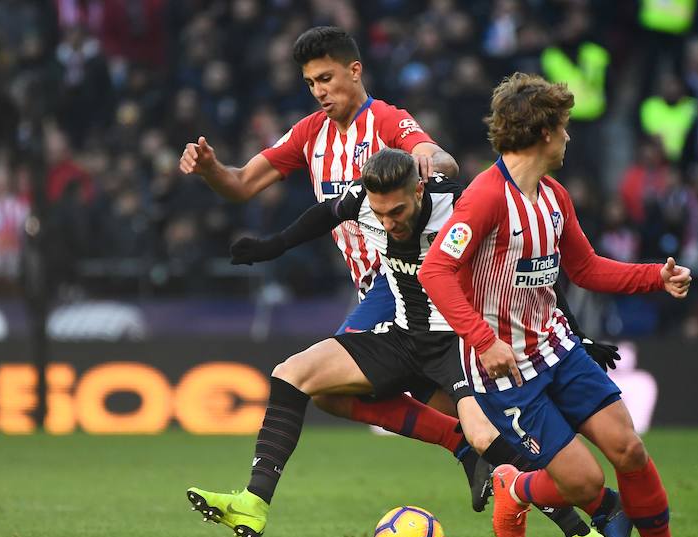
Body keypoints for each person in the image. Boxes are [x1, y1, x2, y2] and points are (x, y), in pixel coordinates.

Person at [187, 149, 632, 537]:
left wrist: (573, 334)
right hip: (403, 336)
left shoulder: (460, 204)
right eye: (379, 215)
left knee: (483, 436)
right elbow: (324, 215)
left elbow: (529, 267)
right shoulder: (365, 201)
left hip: (459, 344)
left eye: (396, 212)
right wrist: (272, 247)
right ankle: (255, 501)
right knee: (294, 374)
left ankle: (580, 534)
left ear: (420, 191)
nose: (387, 223)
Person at [419, 73, 698, 537]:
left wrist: (655, 277)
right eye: (564, 128)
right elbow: (435, 272)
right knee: (586, 481)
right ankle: (519, 490)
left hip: (557, 348)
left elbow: (585, 268)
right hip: (506, 368)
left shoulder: (553, 196)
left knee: (629, 448)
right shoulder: (486, 198)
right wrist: (484, 341)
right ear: (543, 133)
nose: (568, 138)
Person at [177, 27, 487, 509]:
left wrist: (434, 162)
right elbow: (240, 183)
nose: (319, 90)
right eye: (310, 83)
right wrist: (210, 169)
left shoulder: (385, 120)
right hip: (370, 289)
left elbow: (430, 150)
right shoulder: (309, 134)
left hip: (405, 280)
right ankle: (476, 450)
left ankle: (255, 500)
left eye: (326, 78)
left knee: (307, 377)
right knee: (333, 395)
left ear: (354, 71)